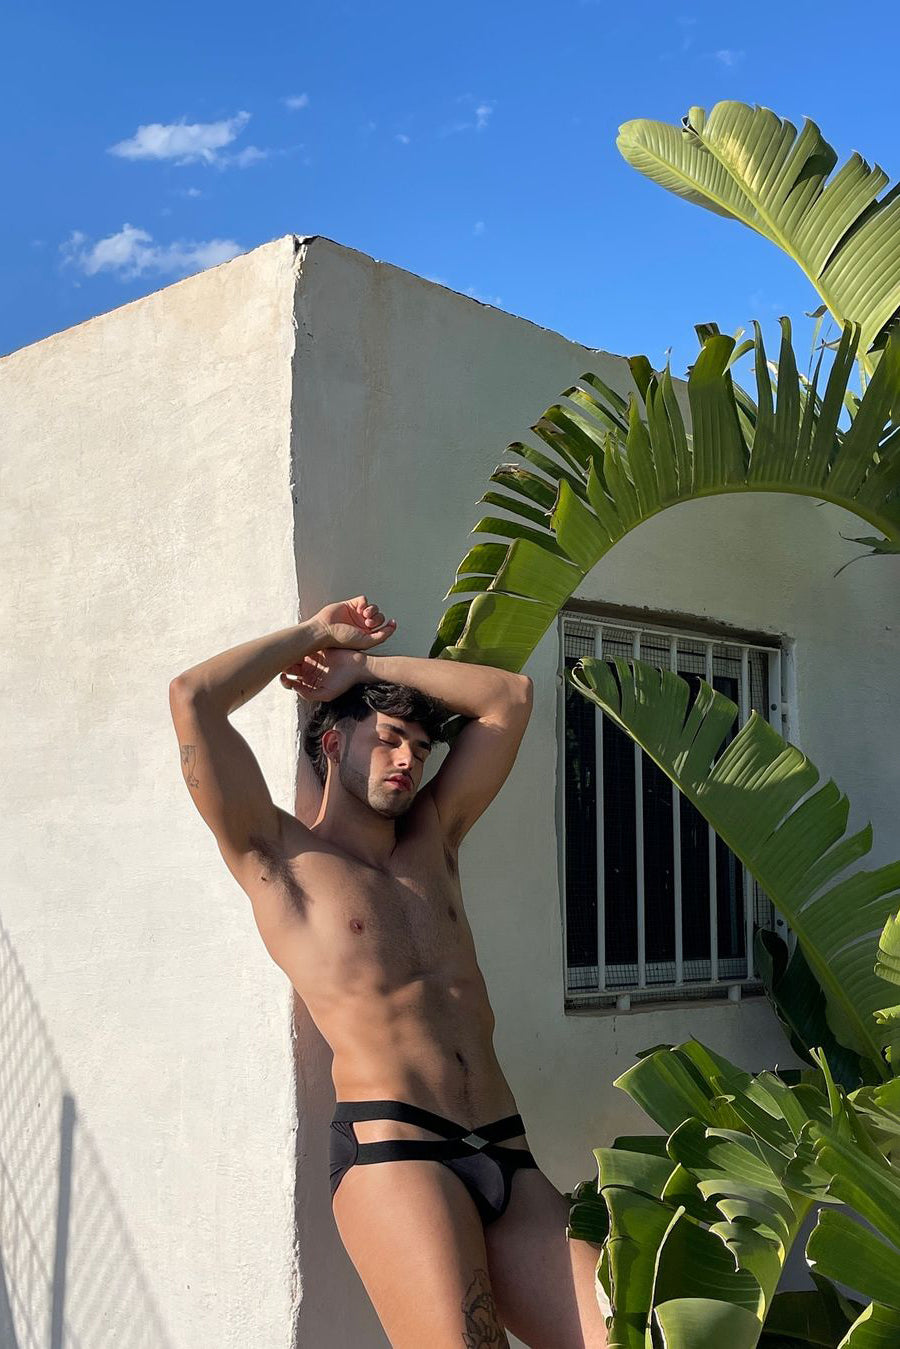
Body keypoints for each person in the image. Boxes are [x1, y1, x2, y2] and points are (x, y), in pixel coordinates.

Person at [168, 595, 607, 1348]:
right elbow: (193, 699)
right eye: (390, 739)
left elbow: (509, 698)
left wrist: (366, 669)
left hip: (504, 1148)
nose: (409, 760)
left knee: (624, 1335)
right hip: (397, 1153)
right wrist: (313, 635)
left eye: (421, 749)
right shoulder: (281, 858)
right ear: (334, 742)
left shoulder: (434, 839)